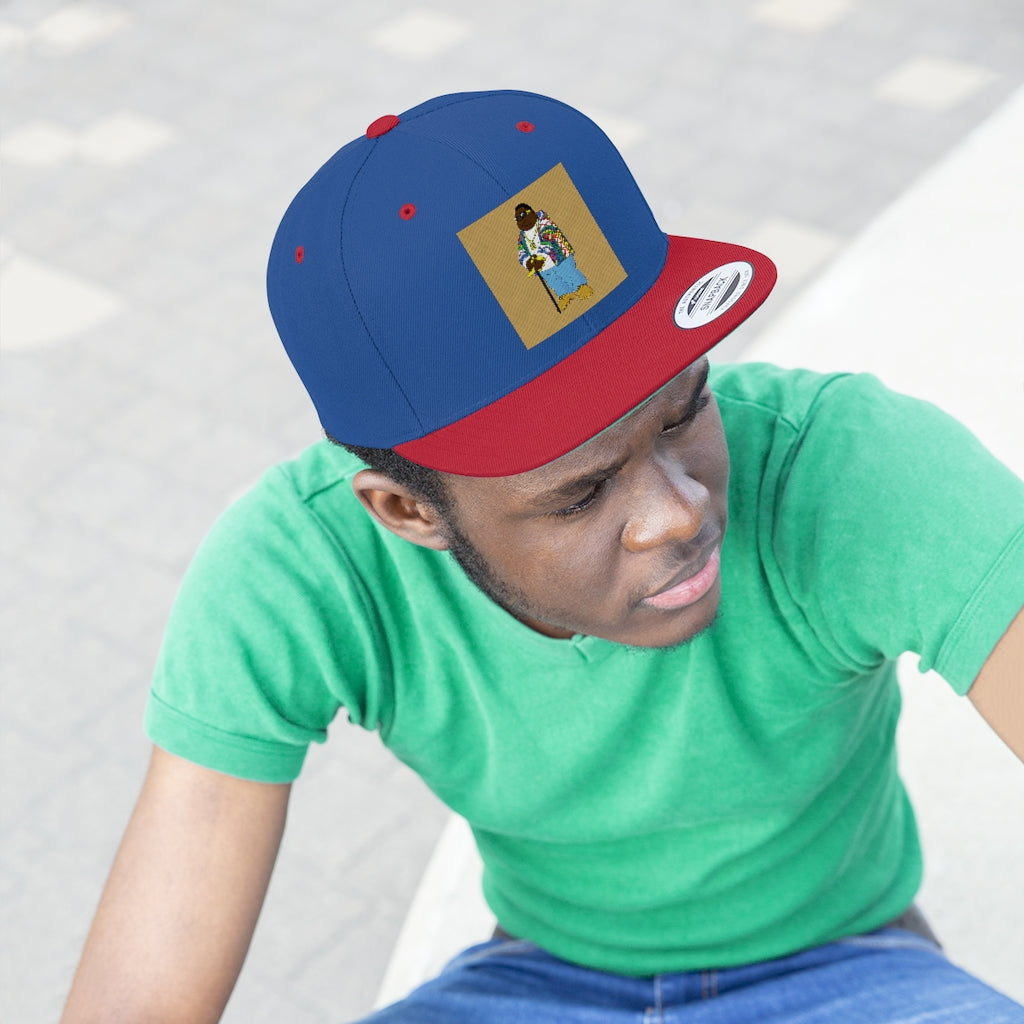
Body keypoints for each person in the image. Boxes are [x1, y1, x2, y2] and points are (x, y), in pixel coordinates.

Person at [61, 90, 1024, 1023]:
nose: (678, 513)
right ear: (407, 511)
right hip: (538, 982)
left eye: (683, 409)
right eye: (581, 493)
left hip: (851, 962)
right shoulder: (304, 570)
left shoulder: (848, 465)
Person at [515, 201, 593, 311]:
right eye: (517, 218)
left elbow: (549, 239)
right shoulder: (522, 236)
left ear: (532, 212)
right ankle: (564, 294)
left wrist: (540, 257)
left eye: (523, 215)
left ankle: (581, 286)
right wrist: (527, 262)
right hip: (543, 267)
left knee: (568, 272)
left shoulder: (545, 223)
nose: (521, 220)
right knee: (552, 280)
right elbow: (521, 251)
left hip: (559, 257)